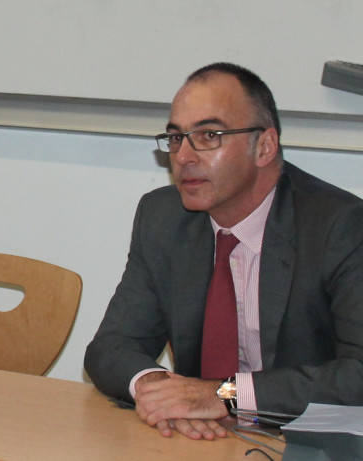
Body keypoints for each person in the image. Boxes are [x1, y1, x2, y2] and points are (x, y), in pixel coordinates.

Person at [85, 63, 363, 441]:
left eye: (209, 135)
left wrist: (222, 396)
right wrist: (158, 389)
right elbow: (112, 347)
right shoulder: (163, 218)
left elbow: (357, 375)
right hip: (204, 441)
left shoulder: (339, 226)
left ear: (264, 146)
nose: (183, 156)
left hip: (309, 443)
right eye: (175, 138)